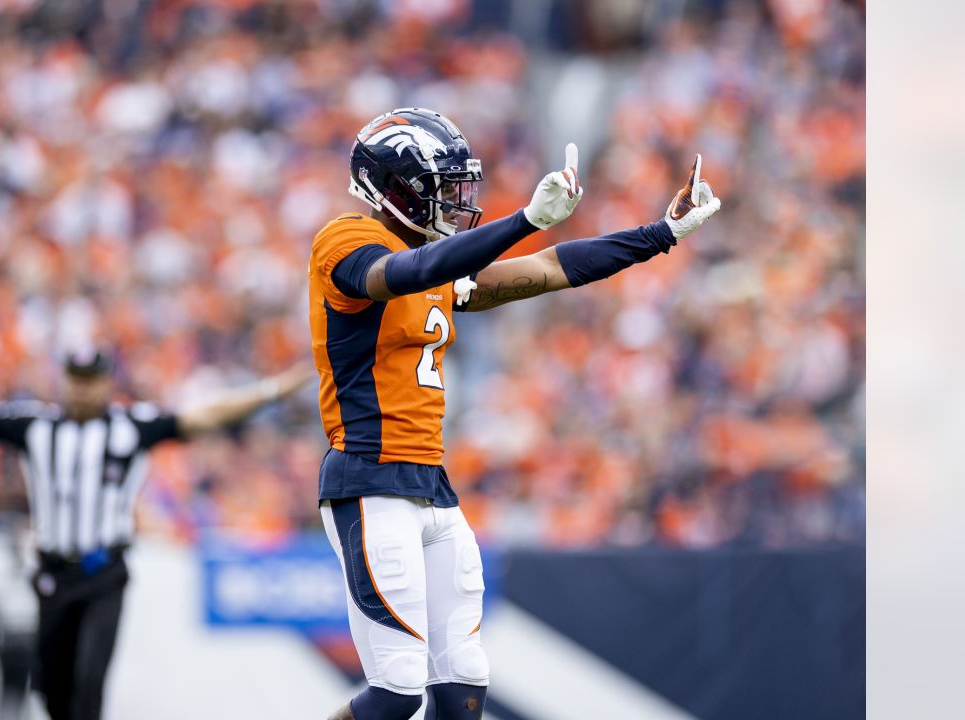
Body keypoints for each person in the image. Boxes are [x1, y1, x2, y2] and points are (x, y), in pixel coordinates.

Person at [308, 107, 721, 720]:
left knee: (465, 682)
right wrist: (524, 220)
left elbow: (550, 269)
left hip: (430, 482)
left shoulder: (435, 262)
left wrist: (660, 234)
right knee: (395, 693)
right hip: (370, 478)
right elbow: (403, 273)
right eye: (443, 191)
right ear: (396, 190)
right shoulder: (347, 241)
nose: (455, 204)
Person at [0, 350, 311, 720]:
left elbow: (204, 415)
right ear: (65, 381)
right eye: (75, 378)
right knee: (53, 692)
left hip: (104, 573)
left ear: (105, 383)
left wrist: (272, 389)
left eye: (90, 379)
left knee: (89, 685)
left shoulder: (130, 428)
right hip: (52, 574)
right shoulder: (36, 427)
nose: (82, 388)